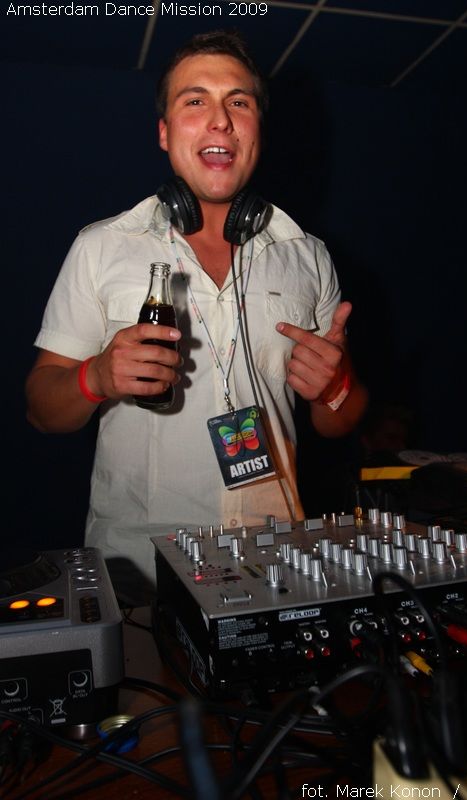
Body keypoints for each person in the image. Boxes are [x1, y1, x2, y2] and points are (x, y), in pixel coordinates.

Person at [26, 30, 367, 605]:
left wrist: (335, 387)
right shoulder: (101, 247)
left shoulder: (307, 255)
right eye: (195, 100)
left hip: (277, 565)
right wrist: (96, 376)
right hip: (142, 576)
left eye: (239, 101)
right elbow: (40, 409)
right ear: (164, 132)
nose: (220, 120)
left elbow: (343, 419)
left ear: (258, 129)